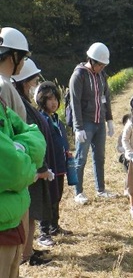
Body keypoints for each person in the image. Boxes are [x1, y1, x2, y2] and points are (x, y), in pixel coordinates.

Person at [12, 59, 55, 264]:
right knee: (27, 213)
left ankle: (27, 250)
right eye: (32, 80)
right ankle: (25, 254)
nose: (34, 85)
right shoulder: (18, 102)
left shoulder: (21, 100)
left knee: (31, 212)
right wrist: (40, 167)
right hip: (28, 166)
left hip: (32, 165)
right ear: (23, 81)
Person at [0, 94, 46, 277]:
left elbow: (36, 137)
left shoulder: (2, 105)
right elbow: (16, 172)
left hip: (11, 222)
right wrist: (26, 157)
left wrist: (21, 148)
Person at [68, 42, 116, 204]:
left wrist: (109, 119)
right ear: (92, 61)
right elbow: (74, 103)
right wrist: (78, 127)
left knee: (99, 157)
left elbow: (106, 98)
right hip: (85, 123)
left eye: (104, 65)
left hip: (99, 122)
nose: (102, 67)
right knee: (80, 158)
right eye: (100, 64)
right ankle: (78, 191)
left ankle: (100, 189)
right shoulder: (79, 75)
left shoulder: (102, 76)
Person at [34, 81, 73, 240]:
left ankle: (54, 226)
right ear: (41, 100)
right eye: (49, 99)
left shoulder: (56, 118)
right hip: (48, 165)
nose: (54, 102)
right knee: (47, 197)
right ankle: (44, 232)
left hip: (59, 165)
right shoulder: (41, 119)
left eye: (56, 98)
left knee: (57, 195)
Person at [0, 27, 30, 119]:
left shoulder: (6, 84)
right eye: (24, 57)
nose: (23, 62)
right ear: (15, 56)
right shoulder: (3, 86)